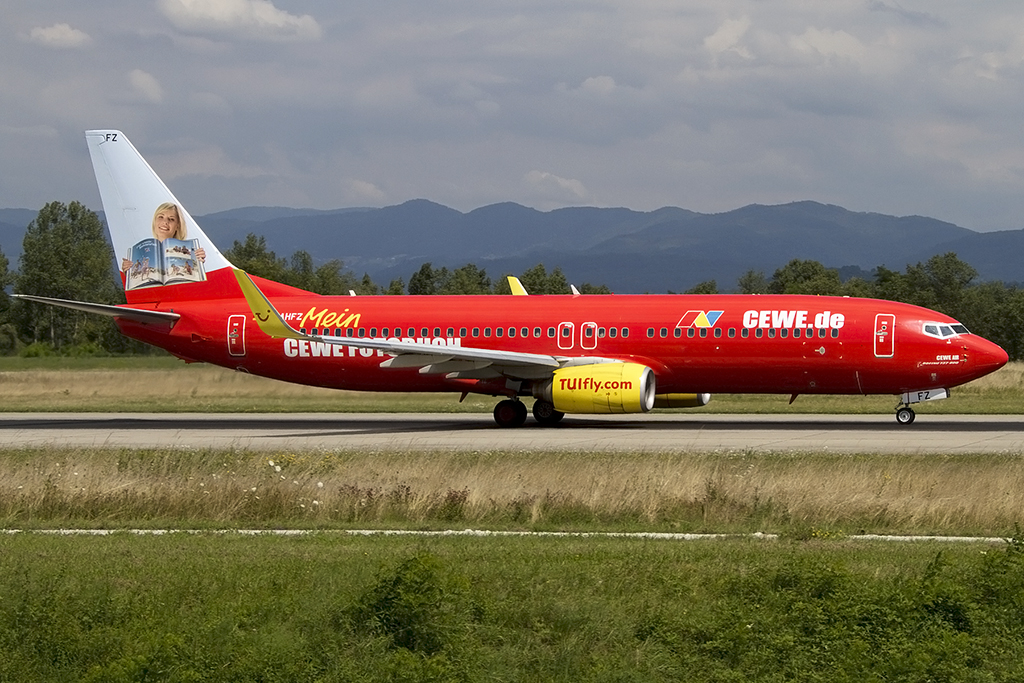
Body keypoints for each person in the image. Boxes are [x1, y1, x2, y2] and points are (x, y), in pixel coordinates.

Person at [121, 203, 206, 271]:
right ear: (154, 222)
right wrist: (128, 271)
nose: (165, 222)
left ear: (177, 226)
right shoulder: (139, 252)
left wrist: (198, 262)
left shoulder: (190, 251)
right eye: (161, 217)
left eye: (171, 219)